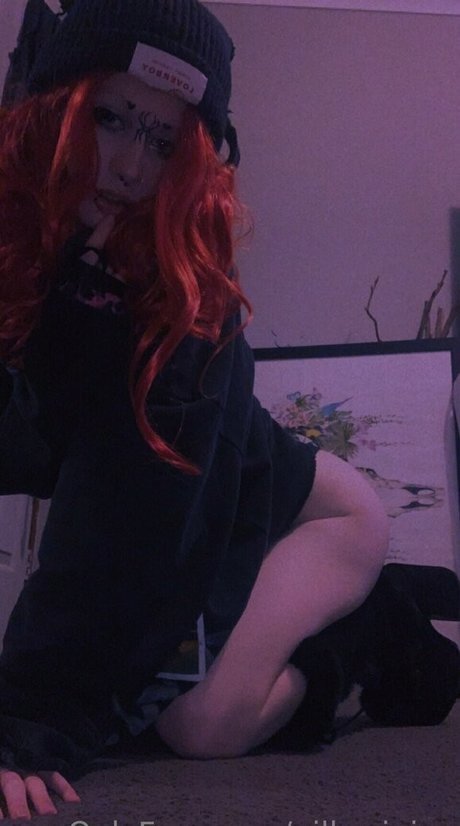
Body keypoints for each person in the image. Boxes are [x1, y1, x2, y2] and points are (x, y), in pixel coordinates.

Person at [0, 0, 403, 818]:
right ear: (60, 106)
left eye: (162, 140)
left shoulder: (190, 308)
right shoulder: (34, 241)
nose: (129, 166)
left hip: (311, 518)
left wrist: (35, 716)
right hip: (206, 518)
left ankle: (363, 641)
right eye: (111, 117)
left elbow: (128, 515)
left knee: (201, 723)